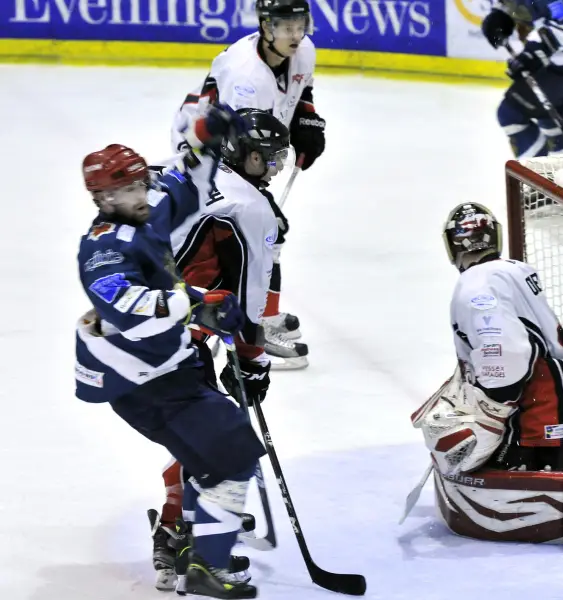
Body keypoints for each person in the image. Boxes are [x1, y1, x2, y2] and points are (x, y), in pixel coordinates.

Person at [75, 106, 264, 599]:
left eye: (141, 184)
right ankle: (206, 561)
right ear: (101, 197)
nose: (142, 194)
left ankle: (197, 547)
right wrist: (196, 305)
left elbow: (188, 187)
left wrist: (206, 140)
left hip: (163, 370)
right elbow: (126, 305)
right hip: (144, 382)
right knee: (232, 452)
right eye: (127, 189)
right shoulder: (102, 248)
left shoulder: (142, 213)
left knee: (213, 458)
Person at [410, 202, 563, 553]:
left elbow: (507, 354)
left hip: (544, 406)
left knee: (478, 469)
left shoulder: (476, 285)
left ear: (452, 245)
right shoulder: (511, 271)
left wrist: (492, 408)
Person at [149, 108, 291, 589]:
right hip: (171, 337)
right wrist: (254, 362)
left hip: (141, 325)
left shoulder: (185, 169)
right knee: (217, 443)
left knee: (203, 436)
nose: (271, 169)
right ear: (245, 156)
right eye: (266, 159)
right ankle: (180, 537)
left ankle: (188, 526)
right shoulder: (249, 207)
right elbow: (254, 300)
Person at [171, 0, 327, 368]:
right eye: (284, 26)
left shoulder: (304, 50)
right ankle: (250, 324)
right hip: (206, 150)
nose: (294, 34)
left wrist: (307, 121)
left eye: (299, 24)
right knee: (254, 232)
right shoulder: (246, 78)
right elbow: (236, 145)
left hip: (246, 148)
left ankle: (258, 315)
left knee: (264, 231)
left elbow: (301, 93)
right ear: (265, 26)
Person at [480, 0, 563, 157]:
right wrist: (500, 15)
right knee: (547, 115)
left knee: (511, 113)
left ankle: (537, 176)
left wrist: (532, 55)